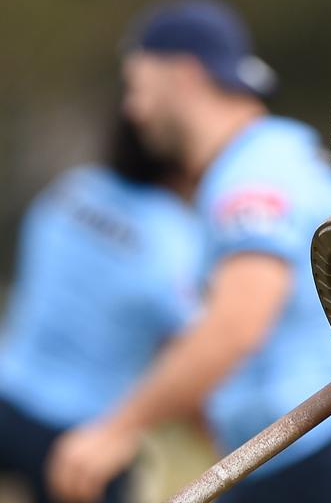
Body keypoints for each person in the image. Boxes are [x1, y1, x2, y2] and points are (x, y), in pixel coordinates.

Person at [46, 0, 331, 503]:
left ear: (184, 75)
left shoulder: (252, 173)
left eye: (137, 85)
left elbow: (238, 321)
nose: (132, 110)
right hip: (300, 455)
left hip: (322, 459)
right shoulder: (265, 157)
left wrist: (117, 428)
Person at [0, 115, 202, 503]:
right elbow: (191, 347)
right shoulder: (174, 236)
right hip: (84, 437)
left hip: (10, 394)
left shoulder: (70, 189)